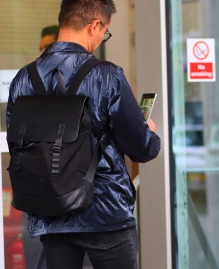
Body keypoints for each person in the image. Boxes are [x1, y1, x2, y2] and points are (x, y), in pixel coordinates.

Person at [6, 0, 161, 268]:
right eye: (105, 32)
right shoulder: (106, 76)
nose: (102, 39)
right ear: (94, 25)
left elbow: (16, 139)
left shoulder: (24, 78)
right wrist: (148, 134)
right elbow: (140, 148)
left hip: (50, 213)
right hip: (105, 213)